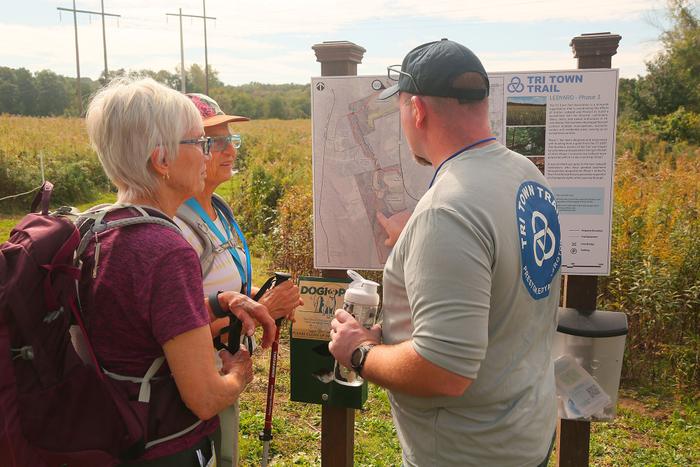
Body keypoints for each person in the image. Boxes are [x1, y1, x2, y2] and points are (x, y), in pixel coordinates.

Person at [329, 39, 562, 466]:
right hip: (525, 430)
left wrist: (358, 351)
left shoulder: (448, 214)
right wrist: (417, 236)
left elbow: (444, 370)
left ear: (417, 109)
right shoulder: (524, 173)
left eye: (399, 108)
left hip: (465, 452)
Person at [82, 77, 277, 466]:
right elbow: (205, 398)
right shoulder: (166, 250)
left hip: (108, 434)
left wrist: (218, 301)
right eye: (200, 143)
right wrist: (239, 374)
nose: (209, 154)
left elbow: (136, 323)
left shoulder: (97, 228)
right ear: (163, 160)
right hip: (162, 445)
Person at [175, 93, 303, 467]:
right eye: (215, 142)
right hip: (193, 384)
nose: (229, 149)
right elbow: (177, 324)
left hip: (223, 368)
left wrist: (257, 298)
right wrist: (261, 308)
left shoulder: (220, 209)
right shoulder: (178, 227)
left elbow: (221, 288)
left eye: (231, 139)